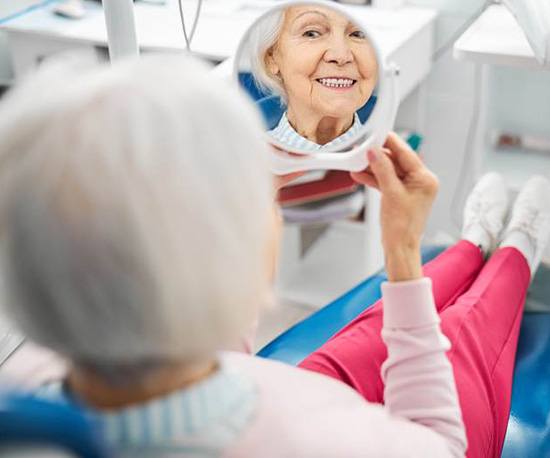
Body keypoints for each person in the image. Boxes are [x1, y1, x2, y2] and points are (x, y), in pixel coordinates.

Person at [0, 54, 548, 458]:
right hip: (306, 416)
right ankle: (517, 245)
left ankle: (474, 242)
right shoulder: (333, 446)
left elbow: (208, 351)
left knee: (374, 332)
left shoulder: (22, 388)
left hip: (263, 388)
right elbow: (439, 445)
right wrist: (401, 251)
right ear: (237, 274)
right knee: (464, 338)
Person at [249, 5, 378, 149]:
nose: (341, 56)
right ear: (271, 58)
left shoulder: (388, 155)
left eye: (358, 34)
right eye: (311, 33)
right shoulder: (249, 157)